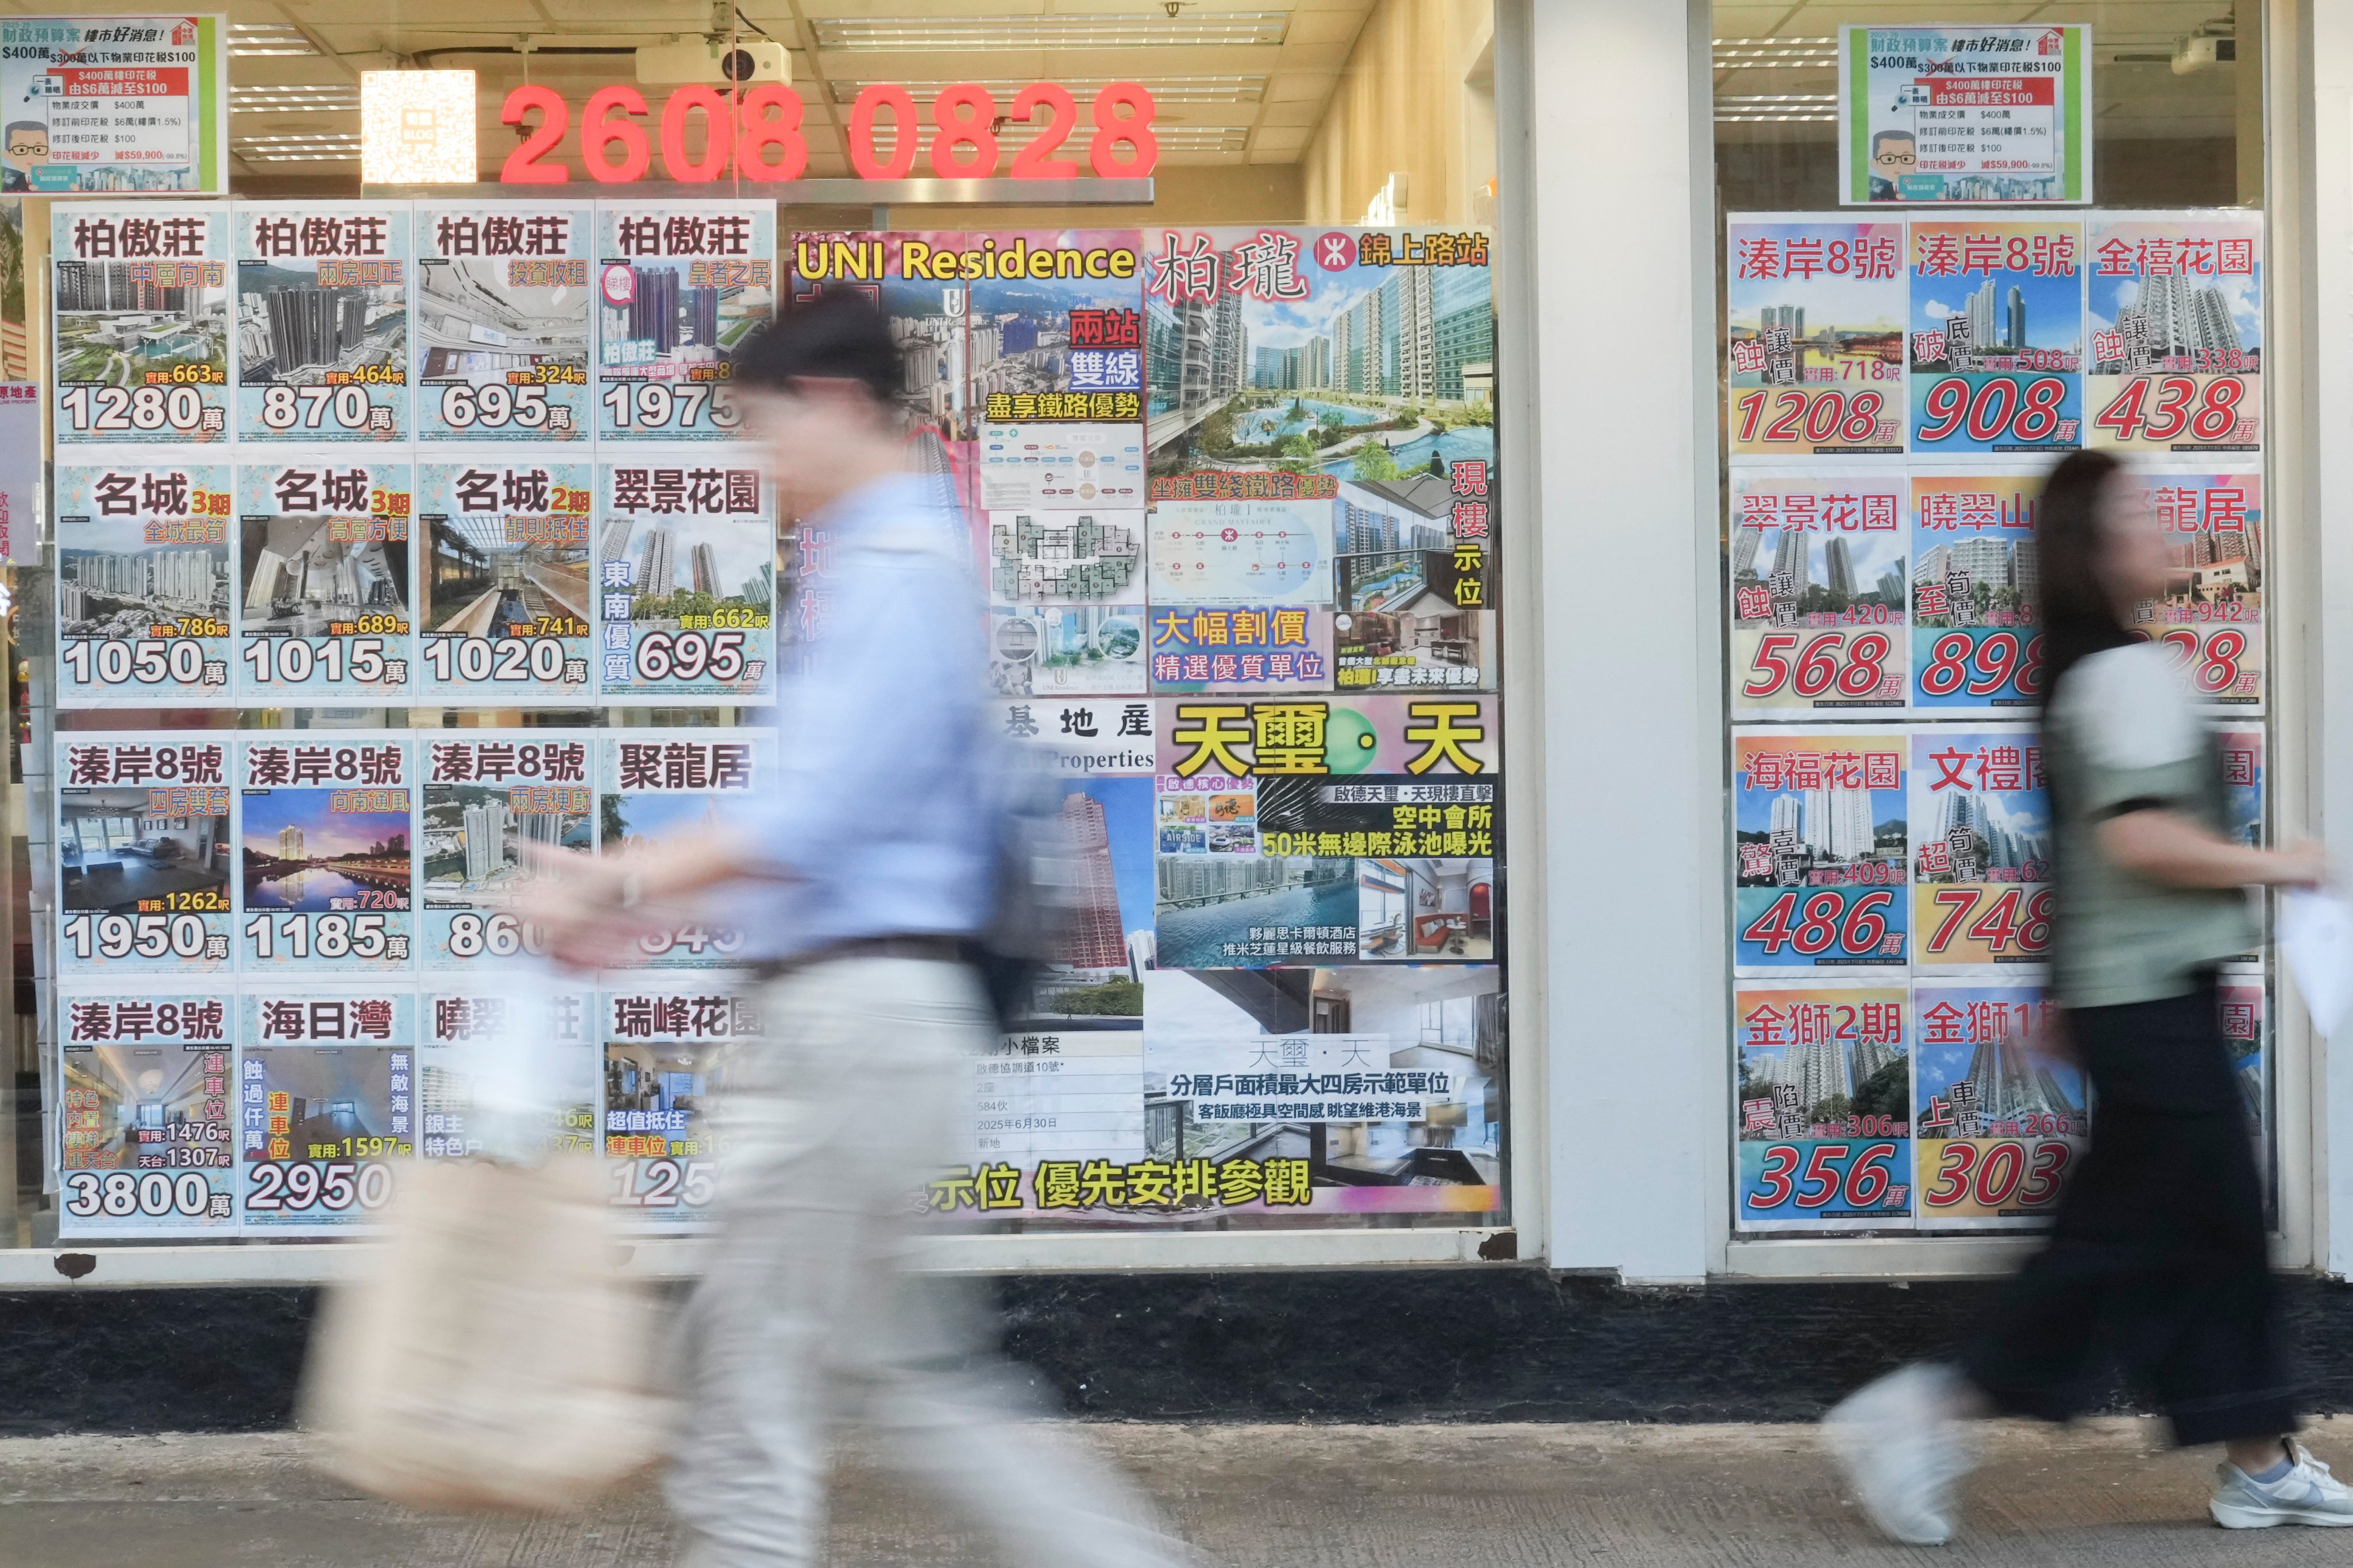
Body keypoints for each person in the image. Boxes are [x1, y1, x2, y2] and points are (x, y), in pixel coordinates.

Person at [523, 291, 1195, 1568]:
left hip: (850, 1038)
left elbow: (817, 819)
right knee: (912, 1386)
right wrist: (654, 899)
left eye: (759, 429)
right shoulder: (898, 558)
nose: (753, 465)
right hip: (877, 1029)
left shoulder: (894, 572)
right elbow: (830, 824)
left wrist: (612, 884)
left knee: (747, 1404)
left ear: (831, 404)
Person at [1822, 449, 2347, 1540]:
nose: (2166, 528)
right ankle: (1930, 1405)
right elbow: (2137, 836)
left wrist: (2065, 987)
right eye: (2143, 513)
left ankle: (2257, 1457)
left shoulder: (2088, 671)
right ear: (2096, 547)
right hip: (2151, 1003)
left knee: (2203, 1233)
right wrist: (2285, 862)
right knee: (2127, 1244)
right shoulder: (2127, 677)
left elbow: (2084, 853)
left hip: (2133, 1000)